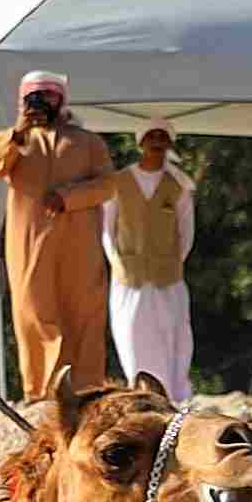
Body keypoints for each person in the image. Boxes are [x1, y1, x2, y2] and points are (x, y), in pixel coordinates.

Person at [0, 70, 118, 402]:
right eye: (34, 96)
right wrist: (19, 130)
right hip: (28, 244)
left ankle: (87, 389)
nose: (42, 102)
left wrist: (69, 197)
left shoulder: (87, 142)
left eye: (48, 96)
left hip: (78, 244)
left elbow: (108, 185)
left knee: (83, 313)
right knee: (32, 312)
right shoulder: (12, 140)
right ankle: (41, 392)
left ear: (62, 100)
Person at [102, 122, 195, 396]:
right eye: (150, 136)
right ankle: (139, 390)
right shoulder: (118, 182)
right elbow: (106, 228)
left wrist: (171, 263)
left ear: (169, 143)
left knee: (171, 333)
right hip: (128, 277)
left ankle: (174, 393)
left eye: (162, 137)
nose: (156, 142)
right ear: (140, 142)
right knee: (131, 333)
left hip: (168, 277)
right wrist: (117, 262)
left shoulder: (179, 185)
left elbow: (186, 231)